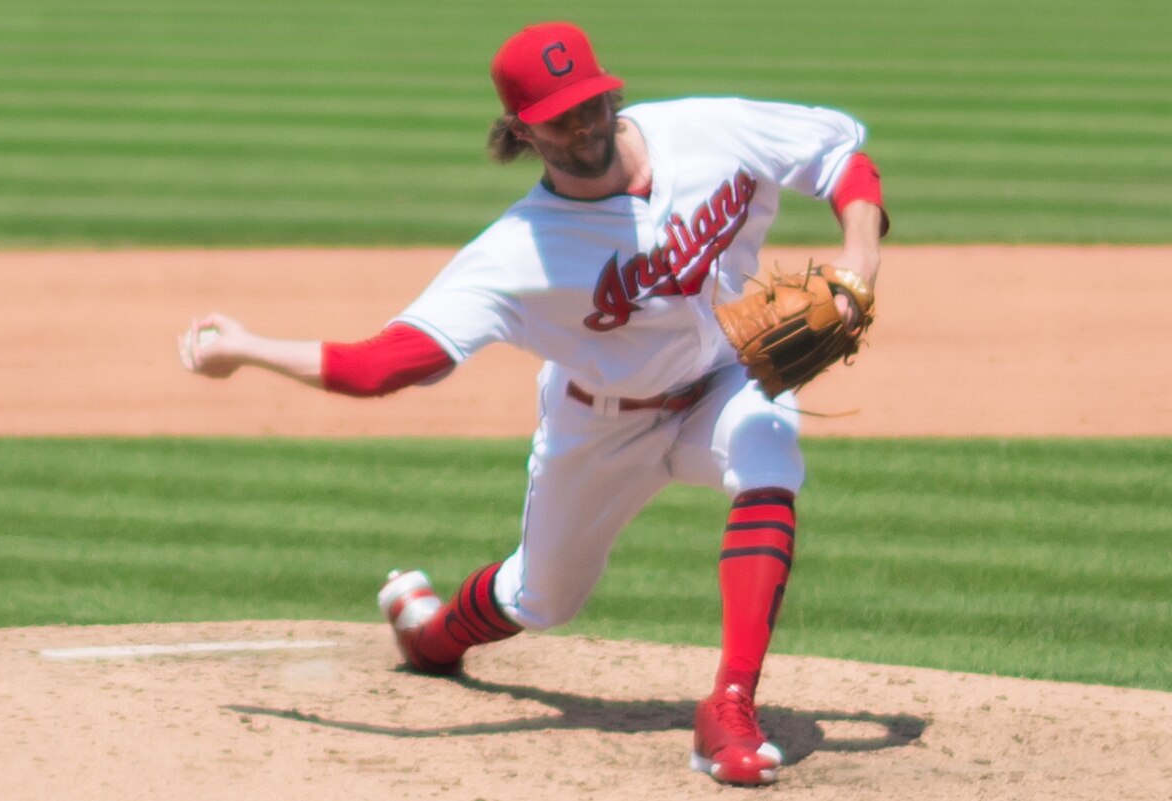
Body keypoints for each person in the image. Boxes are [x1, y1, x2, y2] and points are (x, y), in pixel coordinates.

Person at [178, 21, 887, 786]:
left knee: (768, 449)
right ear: (521, 130)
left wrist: (858, 265)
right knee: (541, 596)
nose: (582, 127)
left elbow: (843, 160)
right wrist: (246, 348)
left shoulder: (709, 129)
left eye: (590, 104)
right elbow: (381, 366)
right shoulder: (517, 252)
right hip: (601, 423)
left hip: (722, 379)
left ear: (609, 90)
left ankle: (730, 707)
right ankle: (430, 634)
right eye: (558, 118)